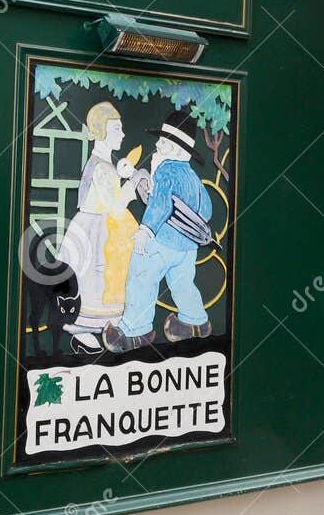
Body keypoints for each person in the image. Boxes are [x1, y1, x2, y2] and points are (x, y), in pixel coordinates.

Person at [105, 109, 214, 353]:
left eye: (164, 143)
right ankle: (195, 322)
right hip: (188, 248)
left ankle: (135, 332)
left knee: (142, 278)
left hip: (161, 240)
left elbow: (161, 204)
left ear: (177, 151)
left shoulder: (166, 170)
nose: (157, 145)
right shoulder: (192, 176)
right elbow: (206, 209)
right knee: (183, 283)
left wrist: (146, 231)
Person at [60, 102, 139, 349]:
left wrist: (122, 176)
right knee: (96, 276)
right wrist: (132, 185)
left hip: (94, 225)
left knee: (94, 277)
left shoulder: (102, 163)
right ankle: (88, 328)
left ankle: (93, 329)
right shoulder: (102, 167)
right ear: (101, 131)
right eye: (116, 129)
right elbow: (115, 206)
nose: (122, 135)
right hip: (98, 230)